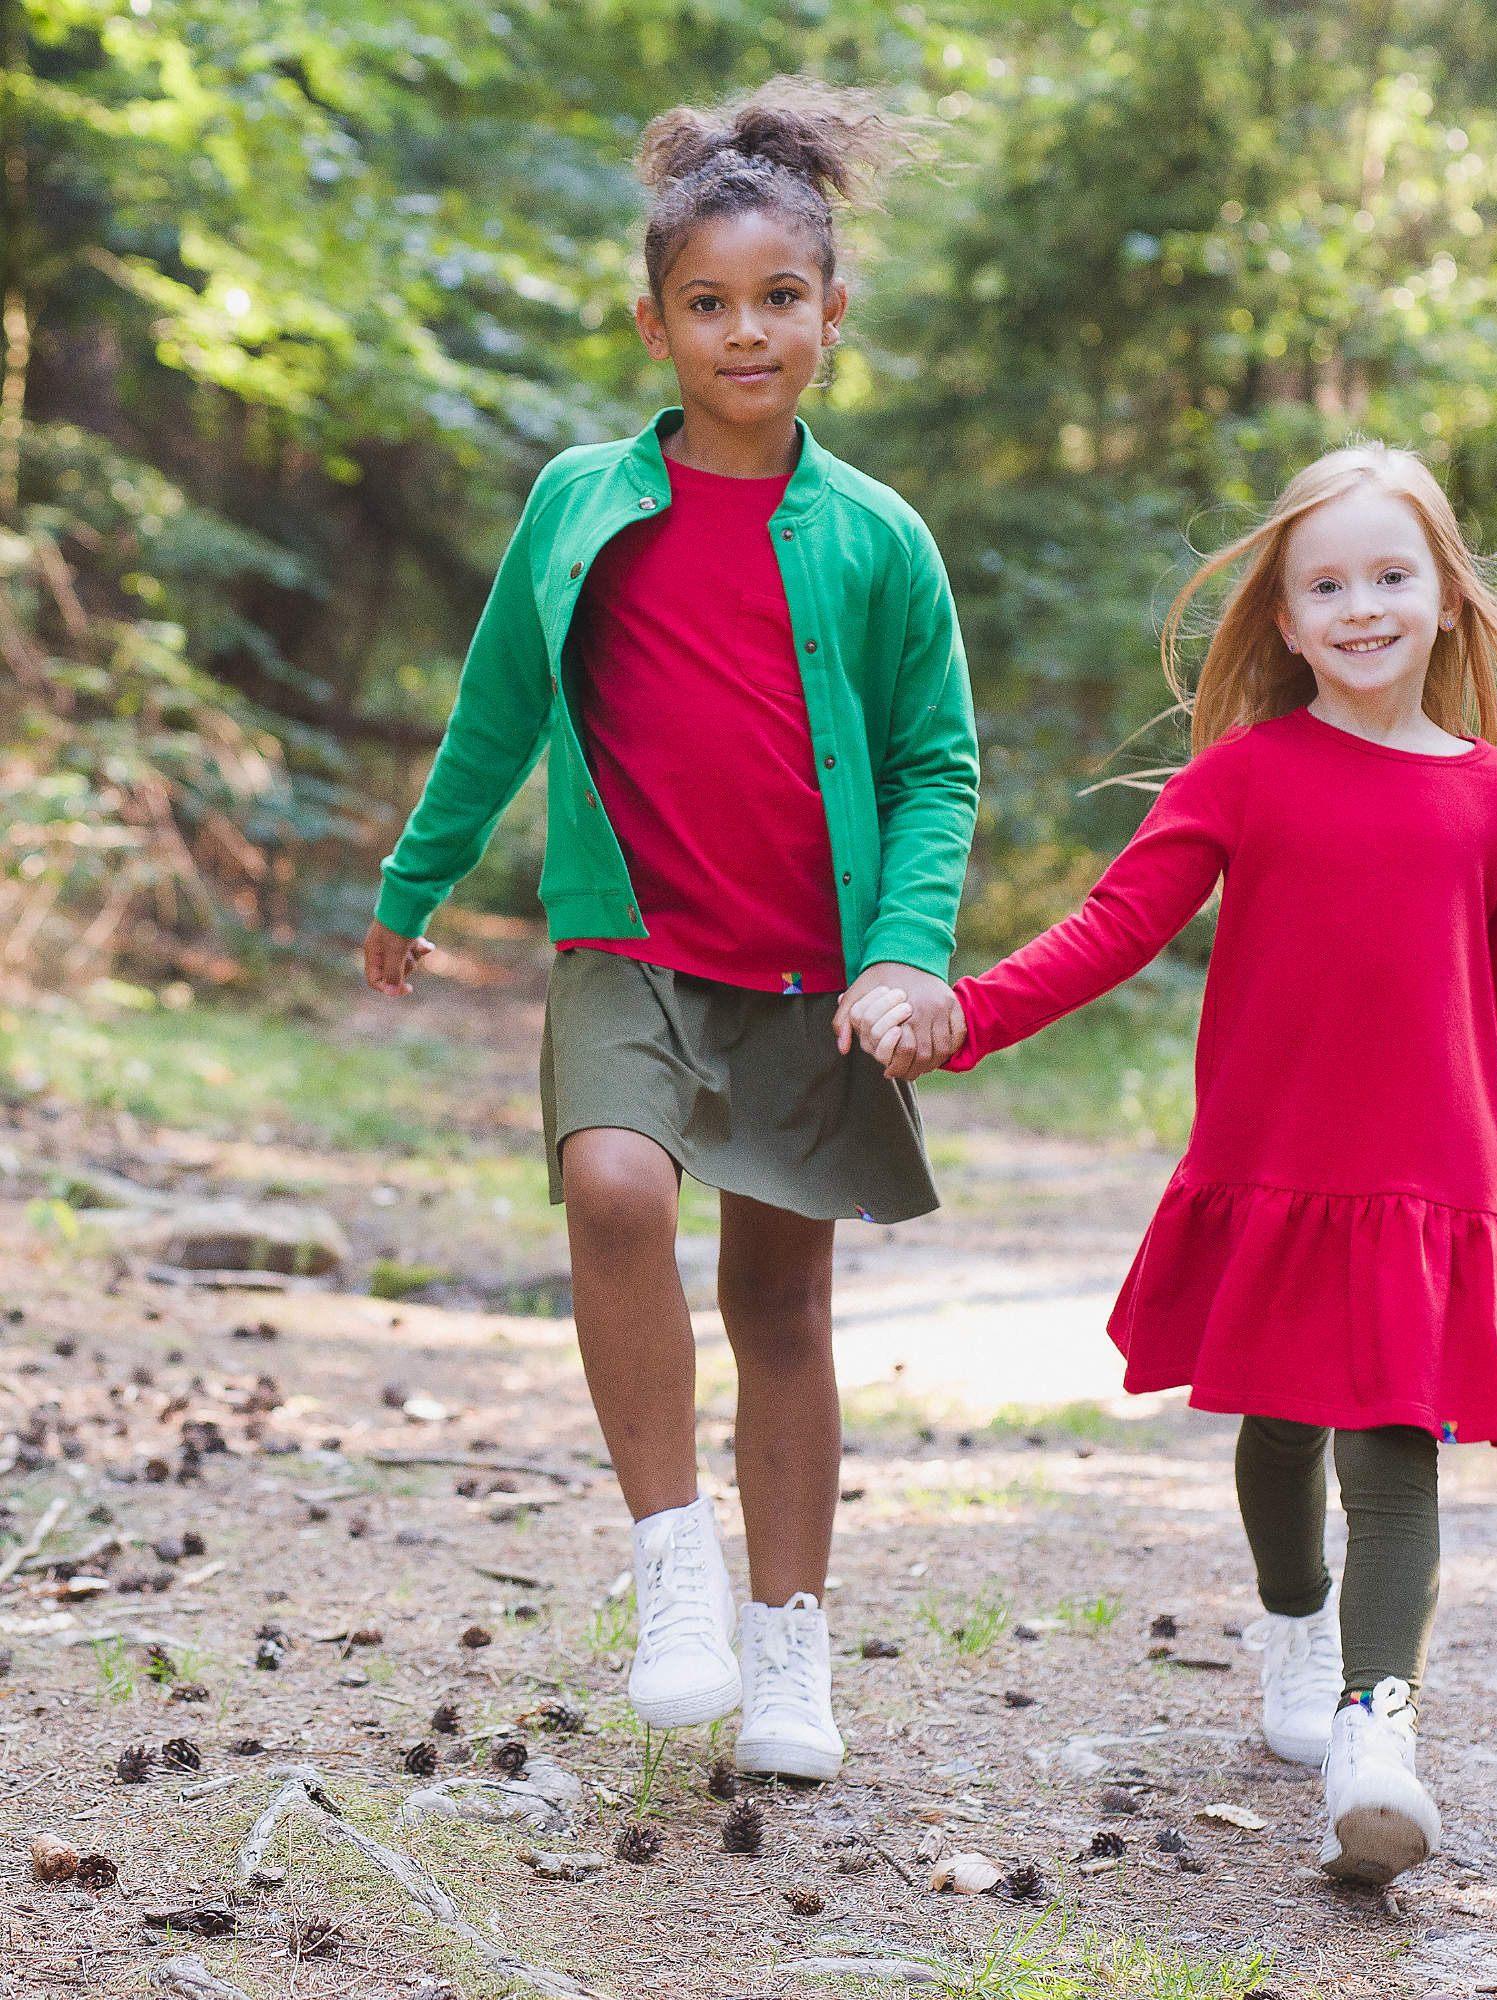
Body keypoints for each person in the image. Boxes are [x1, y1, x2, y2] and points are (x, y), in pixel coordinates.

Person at [847, 441, 1497, 1880]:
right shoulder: (1247, 771)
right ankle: (1294, 1624)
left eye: (1392, 575)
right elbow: (1113, 928)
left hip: (1431, 1176)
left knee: (1398, 1448)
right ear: (1282, 620)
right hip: (1280, 1157)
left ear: (1447, 597)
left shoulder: (1495, 797)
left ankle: (1374, 1726)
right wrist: (963, 1015)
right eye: (1326, 584)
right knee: (1281, 1424)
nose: (1362, 606)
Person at [362, 80, 977, 1783]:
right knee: (612, 1185)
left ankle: (790, 1647)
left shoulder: (877, 538)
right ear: (653, 325)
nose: (745, 331)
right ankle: (673, 1567)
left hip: (809, 976)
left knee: (781, 1301)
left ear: (834, 313)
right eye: (706, 304)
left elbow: (938, 763)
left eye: (780, 298)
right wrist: (417, 880)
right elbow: (498, 710)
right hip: (630, 946)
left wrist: (908, 945)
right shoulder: (577, 501)